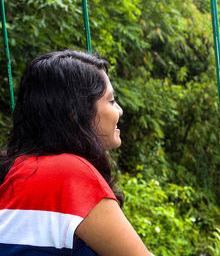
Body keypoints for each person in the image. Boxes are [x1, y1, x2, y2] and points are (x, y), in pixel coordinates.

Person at [0, 50, 153, 255]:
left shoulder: (10, 168)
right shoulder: (69, 174)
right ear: (75, 113)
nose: (119, 110)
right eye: (111, 100)